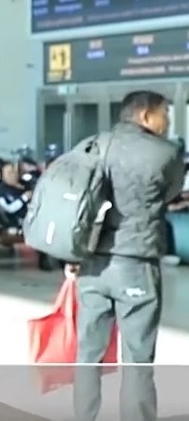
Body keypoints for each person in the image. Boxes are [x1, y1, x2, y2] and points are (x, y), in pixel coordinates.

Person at [72, 90, 182, 421]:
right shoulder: (166, 152)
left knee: (87, 354)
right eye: (164, 113)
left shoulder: (92, 145)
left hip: (92, 265)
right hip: (136, 263)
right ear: (145, 115)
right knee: (137, 358)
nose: (167, 121)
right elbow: (170, 193)